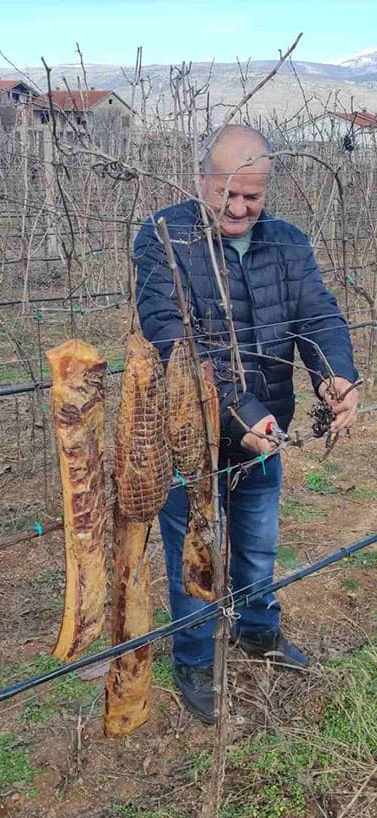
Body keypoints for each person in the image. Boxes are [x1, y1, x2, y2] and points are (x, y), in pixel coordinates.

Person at [135, 124, 360, 724]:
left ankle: (258, 631)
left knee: (257, 544)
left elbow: (316, 313)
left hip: (266, 432)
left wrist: (335, 375)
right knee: (193, 553)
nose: (238, 209)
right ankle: (195, 657)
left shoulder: (287, 243)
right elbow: (170, 335)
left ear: (267, 192)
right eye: (226, 193)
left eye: (252, 197)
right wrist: (238, 408)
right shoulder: (164, 236)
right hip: (189, 431)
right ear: (201, 180)